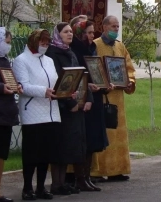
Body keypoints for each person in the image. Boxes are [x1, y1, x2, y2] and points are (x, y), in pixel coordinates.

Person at [45, 23, 94, 195]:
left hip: (75, 106)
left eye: (71, 32)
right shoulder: (52, 53)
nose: (70, 34)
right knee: (60, 145)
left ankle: (63, 182)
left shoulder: (70, 52)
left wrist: (88, 97)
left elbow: (81, 76)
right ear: (57, 34)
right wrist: (70, 104)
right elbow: (59, 81)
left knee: (69, 146)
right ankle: (56, 184)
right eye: (66, 32)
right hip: (61, 107)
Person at [12, 29, 60, 200]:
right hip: (32, 113)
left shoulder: (49, 61)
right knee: (31, 153)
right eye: (42, 42)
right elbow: (23, 86)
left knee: (45, 153)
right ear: (34, 41)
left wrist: (64, 91)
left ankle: (41, 187)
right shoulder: (21, 60)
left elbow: (55, 82)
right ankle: (27, 188)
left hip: (51, 111)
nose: (45, 46)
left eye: (47, 43)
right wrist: (43, 91)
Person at [90, 15, 136, 182]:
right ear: (104, 27)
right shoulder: (95, 45)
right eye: (113, 27)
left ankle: (117, 170)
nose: (116, 30)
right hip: (103, 95)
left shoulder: (120, 46)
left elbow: (129, 68)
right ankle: (97, 171)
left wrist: (129, 81)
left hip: (118, 96)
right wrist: (103, 83)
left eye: (117, 27)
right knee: (103, 132)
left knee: (117, 131)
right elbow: (92, 68)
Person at [70, 20, 109, 190]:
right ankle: (80, 178)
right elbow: (76, 75)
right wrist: (88, 86)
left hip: (95, 99)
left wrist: (105, 84)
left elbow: (96, 71)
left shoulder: (91, 48)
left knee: (92, 140)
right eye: (89, 32)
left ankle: (87, 177)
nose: (93, 35)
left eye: (93, 32)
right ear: (80, 33)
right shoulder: (75, 51)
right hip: (82, 100)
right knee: (82, 141)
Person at [0, 27, 23, 202]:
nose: (9, 45)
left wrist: (16, 86)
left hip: (5, 113)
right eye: (7, 42)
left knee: (0, 154)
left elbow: (10, 79)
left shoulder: (5, 60)